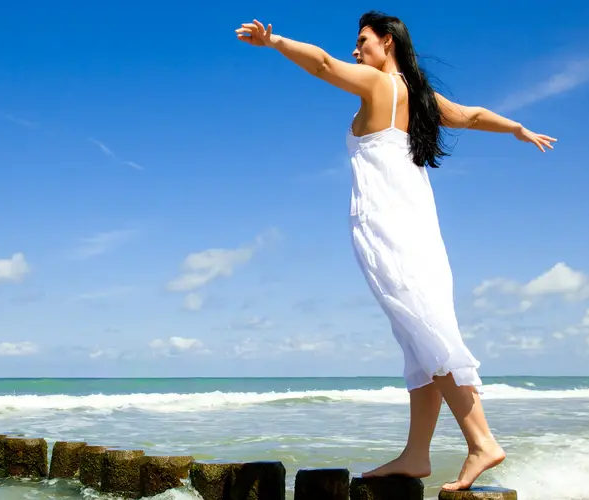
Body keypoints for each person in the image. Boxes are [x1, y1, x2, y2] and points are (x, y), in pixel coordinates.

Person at [235, 11, 556, 492]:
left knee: (427, 331)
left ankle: (481, 441)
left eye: (363, 41)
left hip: (386, 225)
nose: (355, 50)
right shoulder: (421, 97)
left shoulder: (380, 86)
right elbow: (469, 115)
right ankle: (416, 455)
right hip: (421, 228)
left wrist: (273, 41)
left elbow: (322, 63)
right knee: (417, 336)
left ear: (387, 43)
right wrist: (516, 128)